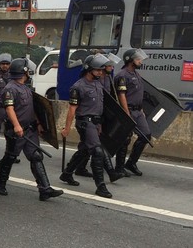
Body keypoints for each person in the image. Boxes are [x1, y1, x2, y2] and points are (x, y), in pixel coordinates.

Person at [0, 58, 63, 201]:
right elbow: (9, 108)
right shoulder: (10, 88)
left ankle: (45, 189)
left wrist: (38, 123)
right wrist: (17, 125)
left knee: (36, 156)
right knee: (10, 157)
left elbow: (32, 108)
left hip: (30, 130)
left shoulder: (26, 87)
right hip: (16, 131)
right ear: (23, 71)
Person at [59, 54, 118, 198]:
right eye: (98, 70)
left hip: (96, 122)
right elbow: (72, 110)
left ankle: (67, 174)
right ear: (88, 69)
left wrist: (100, 124)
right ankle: (100, 186)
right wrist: (67, 128)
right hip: (85, 122)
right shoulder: (78, 87)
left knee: (85, 150)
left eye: (101, 70)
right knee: (97, 151)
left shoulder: (98, 83)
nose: (100, 72)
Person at [114, 48, 151, 176]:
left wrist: (141, 109)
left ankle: (131, 163)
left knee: (146, 135)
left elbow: (138, 94)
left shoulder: (136, 74)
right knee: (125, 139)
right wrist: (126, 113)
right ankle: (119, 167)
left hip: (138, 111)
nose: (141, 61)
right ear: (130, 60)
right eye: (138, 59)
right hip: (128, 110)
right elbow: (121, 95)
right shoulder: (122, 75)